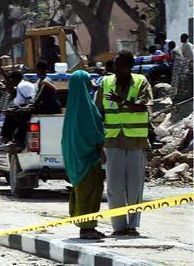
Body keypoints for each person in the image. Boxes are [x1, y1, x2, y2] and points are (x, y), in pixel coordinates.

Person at [96, 50, 152, 237]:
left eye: (120, 66)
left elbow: (143, 106)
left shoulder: (141, 81)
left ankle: (132, 225)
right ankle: (119, 227)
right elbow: (98, 112)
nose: (117, 70)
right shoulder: (106, 82)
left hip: (136, 140)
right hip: (112, 140)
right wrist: (98, 142)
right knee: (114, 187)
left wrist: (122, 101)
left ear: (129, 67)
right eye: (115, 66)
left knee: (135, 186)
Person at [62, 70, 106, 240]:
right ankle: (87, 228)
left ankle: (87, 226)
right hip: (88, 157)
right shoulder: (86, 106)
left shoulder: (72, 107)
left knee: (81, 190)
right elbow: (92, 132)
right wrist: (101, 149)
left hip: (75, 157)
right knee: (91, 190)